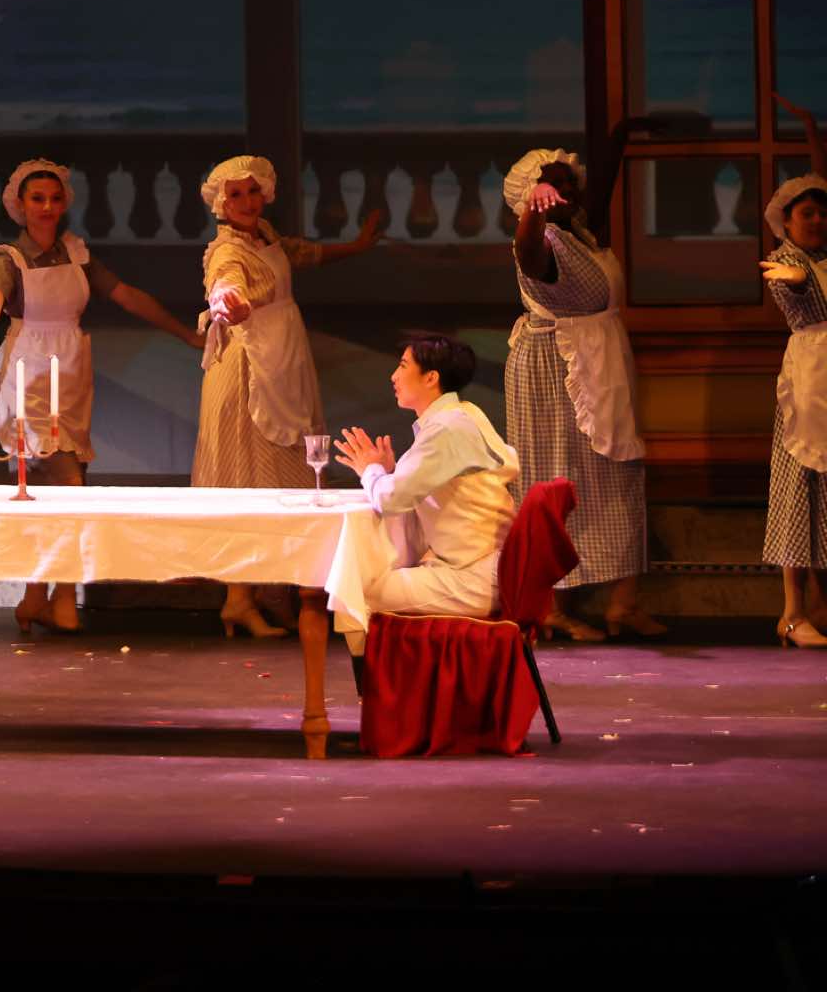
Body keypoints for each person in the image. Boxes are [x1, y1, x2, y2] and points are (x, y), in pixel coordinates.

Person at [0, 157, 203, 634]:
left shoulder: (76, 253)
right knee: (66, 485)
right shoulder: (8, 259)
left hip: (70, 369)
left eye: (54, 198)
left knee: (54, 486)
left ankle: (35, 596)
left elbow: (126, 294)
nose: (47, 207)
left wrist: (184, 333)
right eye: (37, 199)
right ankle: (65, 598)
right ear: (20, 204)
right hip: (28, 372)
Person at [191, 154, 382, 637]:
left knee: (281, 472)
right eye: (236, 195)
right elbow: (223, 283)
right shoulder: (226, 250)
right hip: (249, 370)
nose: (247, 202)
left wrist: (357, 246)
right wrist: (225, 303)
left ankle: (263, 592)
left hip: (281, 359)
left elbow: (298, 252)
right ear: (221, 203)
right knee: (246, 479)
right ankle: (239, 598)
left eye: (253, 191)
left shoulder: (264, 234)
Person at [505, 124, 665, 640]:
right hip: (556, 370)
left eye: (568, 182)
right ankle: (550, 606)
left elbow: (602, 186)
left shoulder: (580, 231)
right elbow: (526, 250)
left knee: (620, 476)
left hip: (599, 360)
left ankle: (623, 603)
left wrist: (622, 134)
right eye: (553, 184)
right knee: (558, 478)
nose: (566, 190)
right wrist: (533, 210)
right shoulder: (542, 241)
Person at [334, 335, 519, 624]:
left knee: (352, 591)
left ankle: (384, 657)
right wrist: (389, 473)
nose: (394, 376)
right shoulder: (462, 414)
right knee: (359, 581)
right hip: (489, 566)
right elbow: (416, 487)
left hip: (474, 576)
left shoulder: (447, 428)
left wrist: (370, 469)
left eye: (403, 365)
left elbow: (389, 500)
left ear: (431, 377)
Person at [756, 94, 827, 648]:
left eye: (823, 213)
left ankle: (817, 606)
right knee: (799, 490)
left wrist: (809, 132)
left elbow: (820, 180)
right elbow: (797, 293)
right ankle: (791, 612)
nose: (819, 219)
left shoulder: (822, 258)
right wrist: (797, 282)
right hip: (809, 386)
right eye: (807, 214)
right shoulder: (788, 262)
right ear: (786, 222)